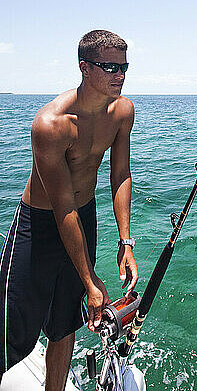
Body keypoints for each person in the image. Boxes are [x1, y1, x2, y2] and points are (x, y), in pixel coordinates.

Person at [0, 29, 138, 391]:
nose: (119, 75)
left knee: (64, 324)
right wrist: (91, 280)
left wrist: (126, 241)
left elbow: (120, 174)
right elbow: (62, 208)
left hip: (84, 216)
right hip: (40, 225)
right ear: (84, 68)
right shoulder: (51, 125)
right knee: (9, 334)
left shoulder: (123, 111)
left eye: (124, 67)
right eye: (109, 67)